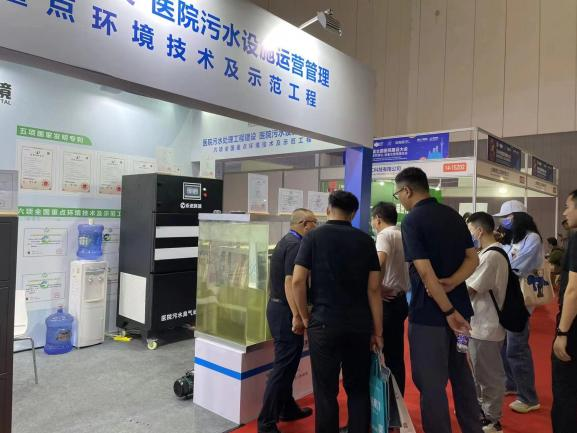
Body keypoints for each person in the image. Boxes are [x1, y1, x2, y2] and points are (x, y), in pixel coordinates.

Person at [394, 167, 482, 433]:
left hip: (431, 316)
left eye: (398, 194)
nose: (400, 199)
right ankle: (473, 428)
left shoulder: (412, 221)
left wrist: (447, 310)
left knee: (431, 384)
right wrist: (454, 282)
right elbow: (473, 259)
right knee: (462, 374)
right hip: (462, 313)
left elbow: (425, 271)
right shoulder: (453, 215)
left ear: (407, 190)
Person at [292, 190, 383, 433]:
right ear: (353, 214)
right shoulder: (366, 241)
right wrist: (378, 331)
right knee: (358, 387)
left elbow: (298, 281)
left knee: (325, 390)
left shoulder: (313, 237)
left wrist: (303, 317)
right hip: (358, 324)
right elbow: (374, 289)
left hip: (323, 323)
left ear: (328, 210)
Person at [257, 208, 317, 433]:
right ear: (304, 223)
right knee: (283, 368)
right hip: (285, 312)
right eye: (314, 222)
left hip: (279, 308)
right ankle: (266, 422)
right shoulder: (296, 245)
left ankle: (287, 408)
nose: (316, 226)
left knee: (288, 364)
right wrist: (298, 316)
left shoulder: (287, 241)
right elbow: (290, 282)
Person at [494, 200, 543, 414]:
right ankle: (511, 383)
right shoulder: (511, 238)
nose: (504, 221)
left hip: (521, 300)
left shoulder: (532, 238)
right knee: (505, 345)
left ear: (518, 217)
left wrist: (497, 266)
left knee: (517, 349)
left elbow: (516, 266)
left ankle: (528, 397)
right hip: (507, 297)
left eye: (507, 217)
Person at [466, 212, 509, 433]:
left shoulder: (491, 256)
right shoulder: (487, 253)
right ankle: (483, 412)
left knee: (489, 375)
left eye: (470, 230)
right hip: (480, 324)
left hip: (486, 326)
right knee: (480, 372)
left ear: (479, 231)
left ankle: (493, 419)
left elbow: (471, 288)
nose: (469, 235)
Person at [371, 201, 409, 395]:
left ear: (378, 219)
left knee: (380, 353)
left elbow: (379, 263)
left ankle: (385, 404)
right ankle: (397, 401)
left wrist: (376, 287)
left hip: (387, 303)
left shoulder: (384, 235)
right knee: (396, 356)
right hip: (401, 300)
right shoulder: (403, 234)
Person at [551, 190, 577, 433]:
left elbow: (574, 290)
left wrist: (562, 332)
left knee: (566, 391)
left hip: (573, 326)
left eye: (568, 206)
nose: (565, 212)